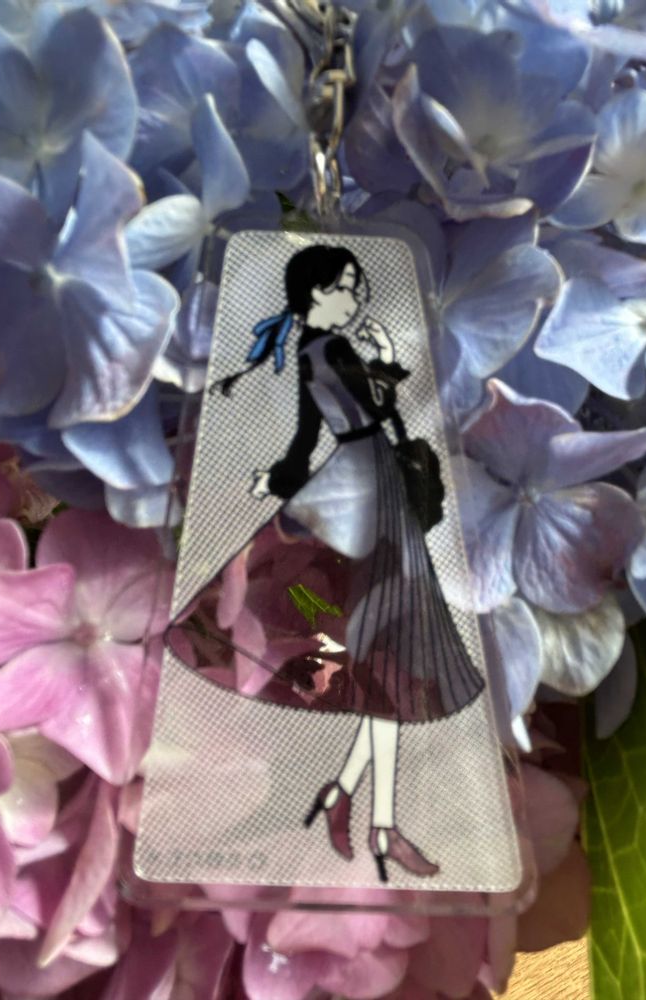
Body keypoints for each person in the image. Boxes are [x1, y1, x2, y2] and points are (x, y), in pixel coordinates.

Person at [166, 244, 484, 882]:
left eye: (359, 286)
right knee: (386, 659)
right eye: (347, 286)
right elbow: (374, 411)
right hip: (365, 493)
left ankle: (346, 798)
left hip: (363, 484)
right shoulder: (330, 349)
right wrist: (387, 362)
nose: (356, 297)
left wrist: (278, 478)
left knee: (383, 661)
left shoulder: (312, 350)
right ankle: (379, 826)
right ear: (315, 294)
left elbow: (307, 437)